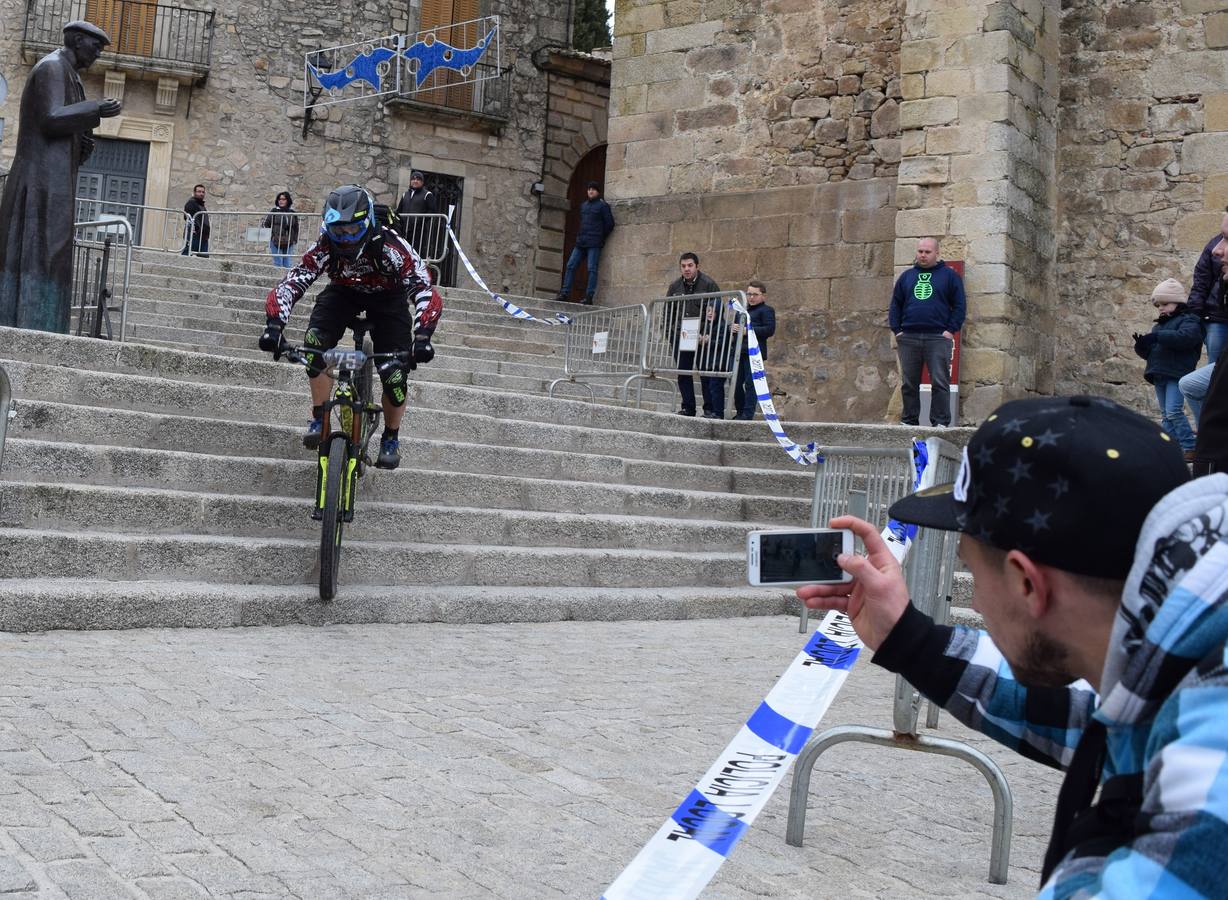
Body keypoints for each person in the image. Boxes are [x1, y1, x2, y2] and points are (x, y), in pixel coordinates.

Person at [798, 395, 1228, 896]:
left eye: (971, 570)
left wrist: (1106, 827)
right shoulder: (1180, 667)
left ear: (1027, 583)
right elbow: (1090, 724)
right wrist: (907, 637)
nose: (976, 600)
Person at [259, 184, 441, 471]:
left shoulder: (391, 245)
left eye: (353, 230)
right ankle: (320, 416)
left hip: (388, 298)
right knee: (314, 342)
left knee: (394, 377)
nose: (345, 239)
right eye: (338, 231)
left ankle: (391, 437)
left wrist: (422, 335)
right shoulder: (325, 245)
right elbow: (293, 282)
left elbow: (422, 287)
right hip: (343, 292)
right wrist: (274, 325)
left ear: (368, 221)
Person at [0, 20, 122, 333]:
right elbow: (50, 118)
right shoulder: (52, 68)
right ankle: (27, 325)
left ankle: (43, 326)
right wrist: (96, 108)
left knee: (51, 253)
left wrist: (82, 142)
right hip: (39, 181)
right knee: (39, 253)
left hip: (54, 180)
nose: (98, 53)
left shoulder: (71, 76)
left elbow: (63, 126)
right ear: (77, 40)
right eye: (95, 45)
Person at [888, 237, 965, 427]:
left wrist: (950, 330)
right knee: (908, 383)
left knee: (939, 382)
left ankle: (940, 422)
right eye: (920, 251)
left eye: (927, 252)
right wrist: (897, 330)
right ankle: (909, 421)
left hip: (938, 337)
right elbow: (896, 304)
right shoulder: (907, 277)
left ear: (937, 253)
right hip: (909, 337)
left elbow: (960, 305)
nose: (923, 255)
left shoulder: (949, 276)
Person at [1132, 277, 1202, 460]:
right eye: (1158, 305)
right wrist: (1142, 347)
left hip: (1177, 374)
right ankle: (1170, 448)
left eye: (1165, 304)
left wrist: (1157, 337)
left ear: (1178, 303)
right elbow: (1155, 353)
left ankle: (1190, 446)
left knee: (1173, 411)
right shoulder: (1159, 327)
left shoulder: (1190, 321)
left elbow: (1185, 338)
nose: (1161, 308)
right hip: (1159, 373)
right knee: (1165, 414)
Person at [665, 252, 720, 417]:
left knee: (705, 373)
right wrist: (670, 334)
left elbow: (716, 313)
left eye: (690, 265)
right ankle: (688, 408)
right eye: (683, 266)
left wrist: (708, 334)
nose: (686, 269)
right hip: (681, 337)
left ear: (697, 266)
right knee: (683, 373)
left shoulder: (709, 284)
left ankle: (709, 409)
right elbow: (668, 312)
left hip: (702, 338)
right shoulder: (674, 287)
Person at [554, 181, 615, 305]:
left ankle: (589, 296)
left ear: (598, 192)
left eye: (593, 189)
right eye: (589, 189)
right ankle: (565, 293)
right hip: (581, 242)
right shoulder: (584, 206)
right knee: (571, 265)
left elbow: (610, 224)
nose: (590, 191)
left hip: (594, 242)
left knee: (591, 269)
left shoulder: (603, 206)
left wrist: (600, 237)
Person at [1185, 206, 1228, 364]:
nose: (1218, 251)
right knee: (1216, 369)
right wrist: (1193, 316)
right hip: (1217, 318)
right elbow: (1201, 281)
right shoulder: (1215, 245)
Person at [731, 280, 776, 420]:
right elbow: (738, 331)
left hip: (754, 353)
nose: (751, 297)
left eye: (755, 294)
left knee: (751, 385)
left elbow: (769, 330)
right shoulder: (742, 310)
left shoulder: (767, 310)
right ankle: (739, 412)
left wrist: (747, 330)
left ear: (763, 296)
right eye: (749, 294)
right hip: (739, 352)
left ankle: (747, 414)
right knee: (735, 384)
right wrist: (733, 329)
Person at [698, 302, 735, 419]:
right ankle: (710, 410)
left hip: (719, 363)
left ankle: (718, 412)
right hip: (709, 362)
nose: (709, 313)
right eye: (707, 311)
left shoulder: (723, 326)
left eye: (712, 311)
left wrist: (708, 341)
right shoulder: (708, 326)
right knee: (708, 386)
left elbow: (721, 343)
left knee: (716, 387)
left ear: (718, 312)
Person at [394, 171, 438, 261]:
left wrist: (420, 221)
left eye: (418, 179)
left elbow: (432, 211)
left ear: (422, 182)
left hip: (419, 231)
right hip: (404, 230)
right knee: (403, 253)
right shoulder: (405, 195)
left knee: (416, 254)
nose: (415, 181)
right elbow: (399, 211)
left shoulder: (427, 194)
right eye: (413, 179)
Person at [262, 191, 300, 269]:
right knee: (277, 263)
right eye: (279, 199)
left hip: (289, 241)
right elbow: (266, 224)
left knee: (287, 264)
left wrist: (294, 239)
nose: (281, 201)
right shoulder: (274, 211)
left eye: (283, 199)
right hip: (276, 240)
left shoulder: (292, 212)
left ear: (288, 200)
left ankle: (287, 281)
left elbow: (296, 227)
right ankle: (277, 281)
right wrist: (272, 236)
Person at [182, 184, 210, 257]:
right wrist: (194, 229)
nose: (201, 194)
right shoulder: (191, 203)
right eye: (199, 191)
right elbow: (187, 217)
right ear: (194, 193)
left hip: (203, 236)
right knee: (187, 254)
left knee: (203, 258)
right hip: (194, 235)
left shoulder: (201, 205)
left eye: (203, 192)